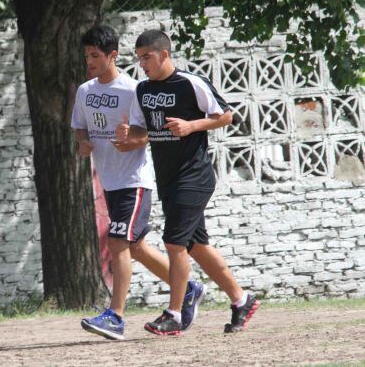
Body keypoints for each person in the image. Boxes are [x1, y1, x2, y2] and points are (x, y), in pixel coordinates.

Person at [116, 29, 260, 335]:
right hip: (167, 178)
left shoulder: (189, 83)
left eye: (147, 57)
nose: (142, 64)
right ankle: (241, 299)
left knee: (173, 242)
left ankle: (175, 314)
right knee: (196, 245)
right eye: (139, 58)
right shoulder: (142, 90)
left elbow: (226, 116)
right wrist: (129, 139)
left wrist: (192, 125)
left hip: (194, 175)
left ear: (164, 54)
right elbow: (143, 132)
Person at [72, 25, 206, 341]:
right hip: (109, 180)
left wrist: (133, 141)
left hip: (134, 180)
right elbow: (80, 127)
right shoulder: (85, 91)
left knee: (117, 243)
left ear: (112, 56)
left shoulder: (134, 90)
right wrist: (83, 142)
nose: (89, 61)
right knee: (136, 248)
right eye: (86, 55)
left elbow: (149, 132)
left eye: (95, 55)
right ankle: (187, 288)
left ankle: (115, 318)